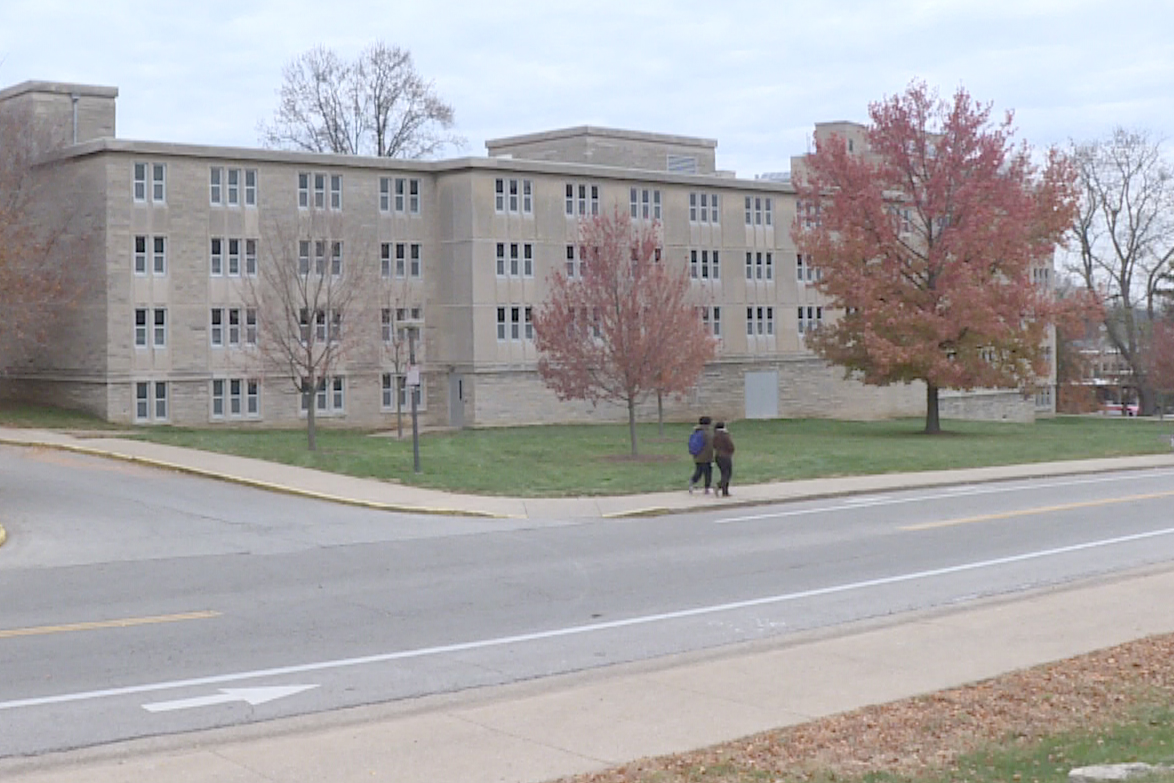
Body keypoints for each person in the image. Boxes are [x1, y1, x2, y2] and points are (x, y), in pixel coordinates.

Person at [688, 416, 714, 494]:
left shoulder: (696, 431)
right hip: (706, 457)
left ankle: (692, 482)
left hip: (697, 456)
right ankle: (707, 488)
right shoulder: (707, 433)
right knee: (708, 473)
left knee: (699, 471)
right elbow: (710, 446)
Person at [712, 421, 735, 497]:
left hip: (718, 456)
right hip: (726, 456)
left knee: (723, 473)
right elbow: (730, 446)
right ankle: (719, 486)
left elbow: (714, 445)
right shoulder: (725, 435)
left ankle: (725, 491)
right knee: (728, 474)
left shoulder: (715, 435)